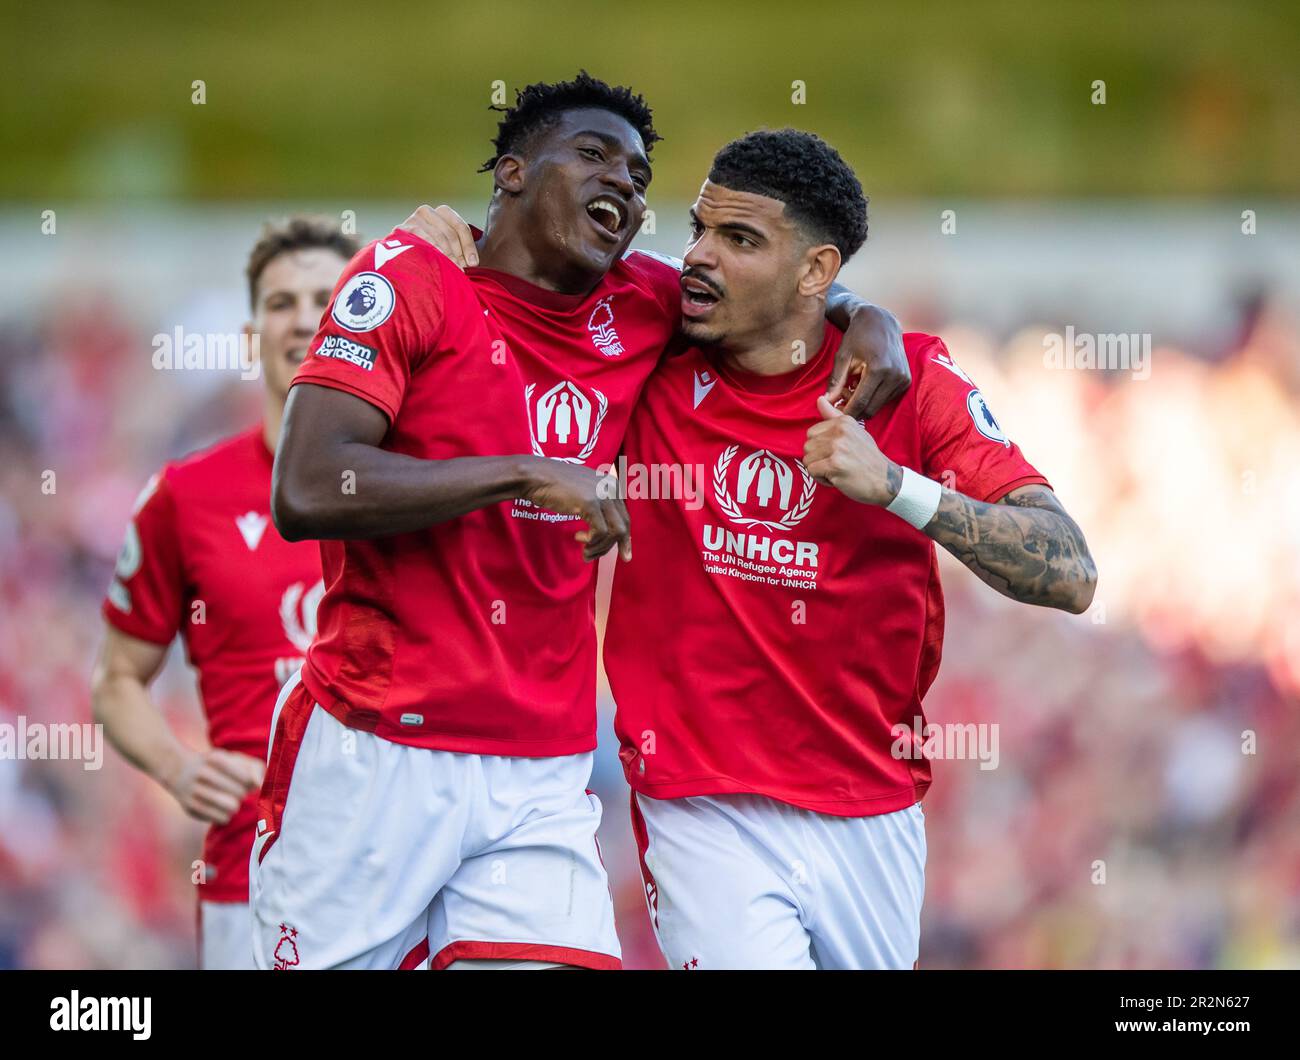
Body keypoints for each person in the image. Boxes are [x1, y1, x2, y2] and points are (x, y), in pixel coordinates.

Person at [254, 73, 906, 970]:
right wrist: (522, 473)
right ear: (513, 172)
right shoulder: (410, 279)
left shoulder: (641, 305)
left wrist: (870, 317)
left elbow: (773, 285)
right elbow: (309, 487)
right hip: (376, 743)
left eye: (640, 178)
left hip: (542, 767)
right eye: (595, 156)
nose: (626, 188)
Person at [602, 129, 1098, 969]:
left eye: (740, 239)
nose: (698, 257)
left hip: (869, 806)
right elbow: (529, 267)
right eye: (698, 228)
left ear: (816, 271)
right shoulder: (654, 334)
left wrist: (899, 488)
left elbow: (1071, 571)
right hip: (702, 800)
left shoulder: (912, 381)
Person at [90, 216, 357, 968]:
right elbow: (115, 681)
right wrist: (177, 767)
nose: (304, 319)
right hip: (251, 873)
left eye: (325, 299)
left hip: (398, 866)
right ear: (250, 337)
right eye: (281, 303)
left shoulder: (413, 481)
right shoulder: (186, 495)